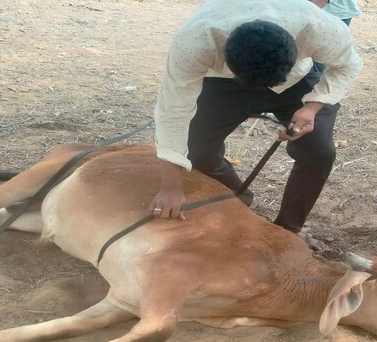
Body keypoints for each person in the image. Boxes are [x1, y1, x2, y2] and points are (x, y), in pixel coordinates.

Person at [149, 0, 362, 243]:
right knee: (196, 151)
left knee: (319, 152)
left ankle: (287, 231)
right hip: (222, 82)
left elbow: (348, 65)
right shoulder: (195, 42)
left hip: (295, 80)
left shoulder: (322, 28)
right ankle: (237, 198)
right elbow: (173, 110)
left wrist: (313, 106)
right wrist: (170, 186)